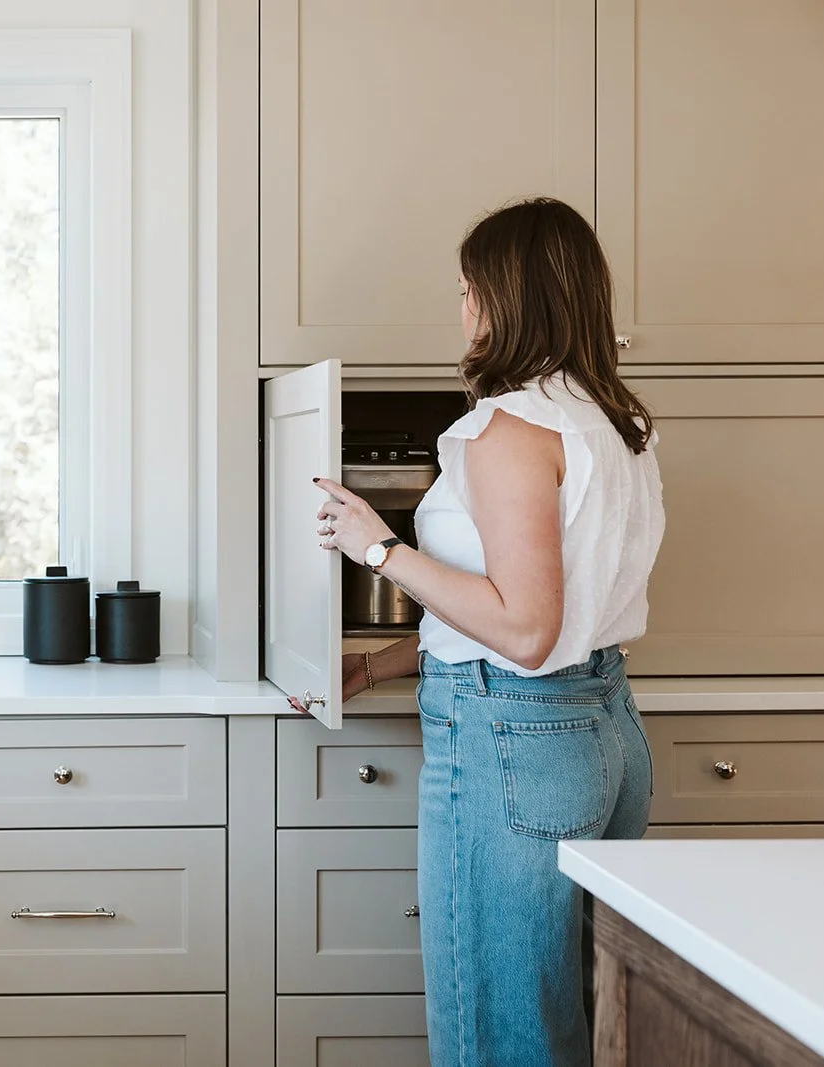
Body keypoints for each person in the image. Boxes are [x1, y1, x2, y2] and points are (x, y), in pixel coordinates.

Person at [313, 197, 665, 1066]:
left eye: (468, 290)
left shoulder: (509, 430)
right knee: (568, 1021)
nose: (461, 308)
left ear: (495, 301)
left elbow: (526, 628)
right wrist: (381, 663)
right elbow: (551, 610)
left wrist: (380, 547)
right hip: (604, 733)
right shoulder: (618, 422)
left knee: (500, 1036)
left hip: (516, 739)